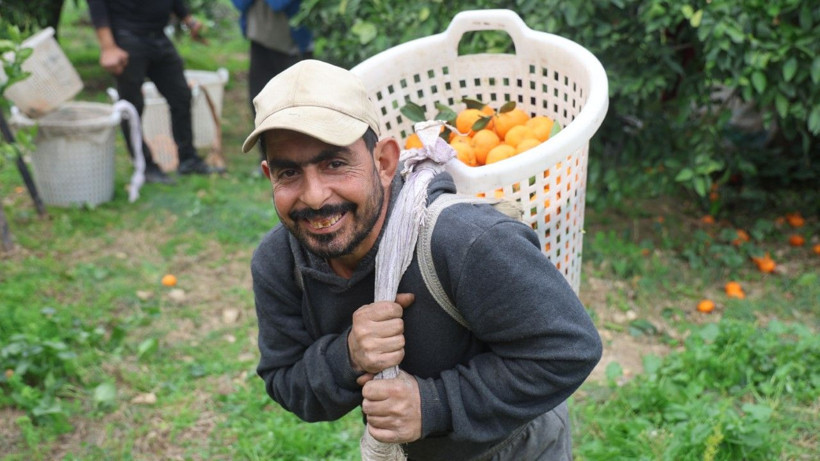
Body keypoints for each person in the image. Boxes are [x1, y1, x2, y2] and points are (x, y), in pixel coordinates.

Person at [243, 59, 602, 460]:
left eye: (335, 164)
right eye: (289, 173)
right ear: (268, 175)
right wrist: (347, 355)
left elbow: (568, 348)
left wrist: (433, 403)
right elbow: (284, 379)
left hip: (514, 446)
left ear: (384, 162)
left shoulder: (464, 240)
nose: (313, 196)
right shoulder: (279, 262)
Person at [87, 0, 219, 183]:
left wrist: (188, 20)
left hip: (158, 36)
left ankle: (188, 160)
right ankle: (145, 166)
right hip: (126, 37)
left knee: (181, 95)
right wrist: (108, 46)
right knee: (132, 107)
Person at [230, 0, 313, 164]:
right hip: (261, 37)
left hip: (291, 41)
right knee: (259, 100)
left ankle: (301, 157)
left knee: (297, 103)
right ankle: (270, 157)